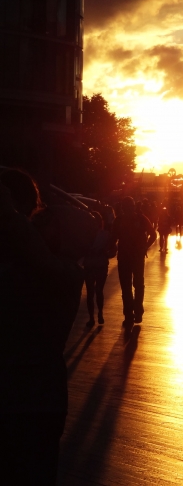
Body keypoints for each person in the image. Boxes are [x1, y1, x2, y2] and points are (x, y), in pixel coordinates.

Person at [0, 169, 84, 485]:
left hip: (28, 400)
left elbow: (23, 236)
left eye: (45, 225)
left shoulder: (57, 273)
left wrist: (8, 208)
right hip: (41, 397)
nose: (38, 227)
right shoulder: (62, 272)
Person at [111, 196, 156, 328]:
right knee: (138, 284)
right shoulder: (141, 219)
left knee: (127, 287)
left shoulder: (119, 220)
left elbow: (113, 238)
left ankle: (129, 315)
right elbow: (153, 234)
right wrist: (145, 247)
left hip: (125, 257)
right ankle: (137, 311)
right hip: (136, 257)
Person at [83, 211, 111, 327]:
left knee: (91, 292)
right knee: (98, 291)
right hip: (100, 265)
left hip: (90, 265)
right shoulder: (106, 235)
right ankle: (99, 314)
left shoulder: (85, 236)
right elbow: (112, 251)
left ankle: (92, 318)